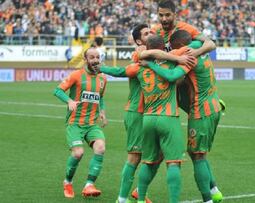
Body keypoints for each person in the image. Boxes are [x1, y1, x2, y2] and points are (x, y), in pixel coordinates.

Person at [99, 24, 194, 203]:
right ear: (138, 41)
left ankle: (139, 193)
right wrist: (100, 68)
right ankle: (121, 199)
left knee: (155, 157)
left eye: (151, 31)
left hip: (149, 114)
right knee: (136, 157)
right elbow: (122, 70)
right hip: (138, 111)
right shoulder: (139, 55)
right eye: (145, 33)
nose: (151, 33)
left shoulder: (149, 60)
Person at [144, 30, 223, 203]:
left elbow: (172, 77)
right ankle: (214, 189)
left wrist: (150, 62)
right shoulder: (198, 46)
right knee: (197, 153)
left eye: (172, 47)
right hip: (214, 105)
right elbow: (207, 40)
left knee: (198, 155)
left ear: (179, 45)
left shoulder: (187, 53)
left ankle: (208, 199)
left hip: (201, 111)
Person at [135, 35, 195, 203]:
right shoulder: (173, 62)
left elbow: (119, 71)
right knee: (173, 163)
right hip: (168, 118)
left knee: (147, 162)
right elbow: (171, 76)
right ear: (164, 48)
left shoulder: (140, 66)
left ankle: (140, 200)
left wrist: (102, 68)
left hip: (148, 119)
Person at [53, 47, 108, 199]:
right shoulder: (77, 75)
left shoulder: (103, 79)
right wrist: (69, 100)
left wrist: (102, 112)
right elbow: (57, 91)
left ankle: (89, 185)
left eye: (98, 57)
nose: (95, 60)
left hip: (91, 123)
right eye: (92, 57)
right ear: (86, 60)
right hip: (75, 122)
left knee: (101, 148)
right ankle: (67, 182)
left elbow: (100, 97)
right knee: (78, 153)